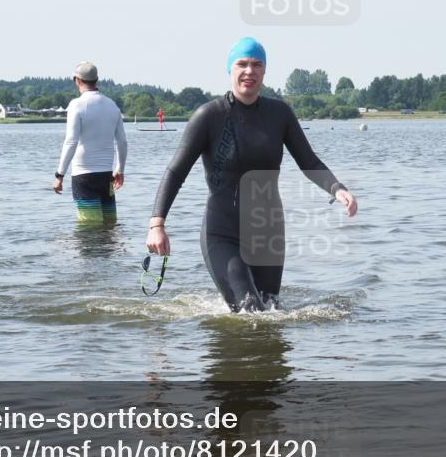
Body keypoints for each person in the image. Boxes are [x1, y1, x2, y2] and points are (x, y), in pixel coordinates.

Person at [146, 37, 358, 313]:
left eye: (257, 64)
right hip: (221, 231)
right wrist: (156, 224)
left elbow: (308, 160)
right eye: (242, 64)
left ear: (265, 71)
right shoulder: (209, 116)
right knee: (250, 310)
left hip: (267, 231)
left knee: (272, 310)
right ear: (230, 70)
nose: (249, 71)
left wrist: (337, 189)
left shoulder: (279, 114)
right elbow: (176, 171)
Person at [53, 61, 128, 223]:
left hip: (84, 177)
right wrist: (120, 170)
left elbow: (71, 141)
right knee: (109, 226)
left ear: (77, 80)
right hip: (107, 176)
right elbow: (122, 142)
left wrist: (59, 175)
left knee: (89, 227)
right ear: (96, 79)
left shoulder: (76, 105)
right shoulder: (112, 105)